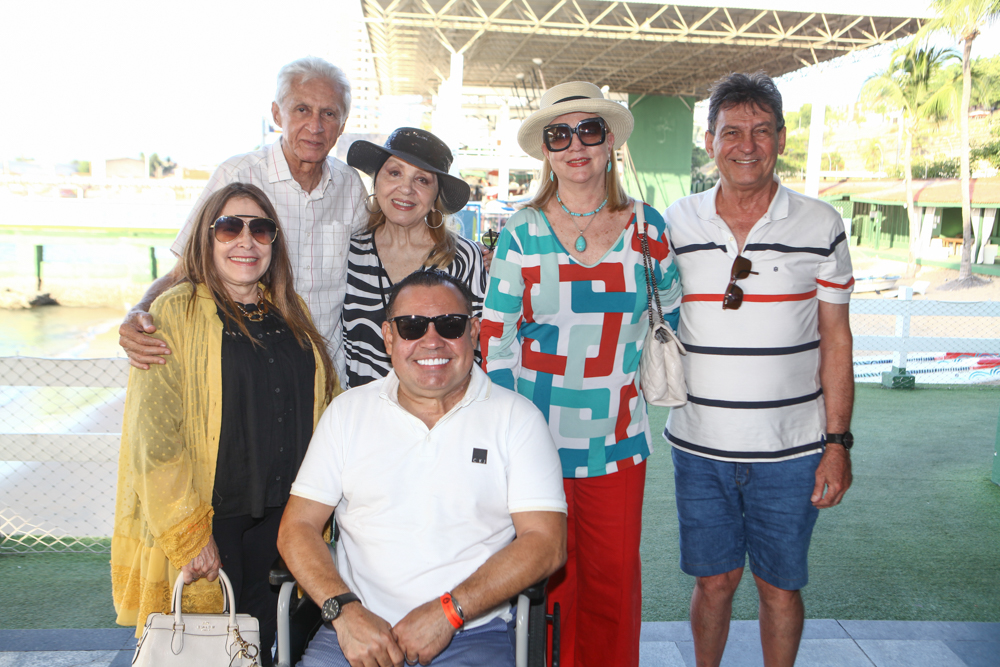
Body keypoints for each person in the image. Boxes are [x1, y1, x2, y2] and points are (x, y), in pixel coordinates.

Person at [481, 81, 682, 667]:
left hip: (617, 442)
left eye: (589, 131)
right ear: (546, 150)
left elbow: (670, 310)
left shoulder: (648, 228)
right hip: (535, 445)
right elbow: (496, 347)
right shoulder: (521, 231)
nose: (575, 145)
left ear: (610, 142)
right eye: (559, 134)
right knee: (547, 590)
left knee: (614, 585)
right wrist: (512, 439)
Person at [277, 270, 567, 666]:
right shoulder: (347, 413)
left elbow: (546, 543)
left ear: (474, 332)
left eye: (450, 324)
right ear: (389, 337)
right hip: (354, 630)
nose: (432, 341)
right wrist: (344, 611)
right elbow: (298, 527)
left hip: (472, 632)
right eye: (412, 326)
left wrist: (449, 612)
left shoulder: (518, 419)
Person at [663, 71, 854, 667]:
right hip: (698, 446)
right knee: (713, 584)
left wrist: (838, 443)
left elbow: (836, 340)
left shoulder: (820, 224)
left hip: (792, 450)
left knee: (779, 587)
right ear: (710, 140)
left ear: (782, 138)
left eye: (762, 131)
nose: (747, 145)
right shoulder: (674, 223)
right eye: (733, 131)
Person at [111, 183, 339, 667]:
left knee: (259, 643)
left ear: (274, 242)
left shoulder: (288, 310)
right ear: (206, 239)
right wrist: (189, 533)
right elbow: (154, 436)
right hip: (214, 518)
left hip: (284, 517)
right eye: (229, 227)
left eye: (261, 229)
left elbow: (325, 399)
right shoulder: (175, 311)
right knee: (208, 648)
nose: (246, 240)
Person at [118, 57, 368, 379]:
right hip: (251, 376)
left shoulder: (350, 186)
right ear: (278, 114)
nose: (316, 126)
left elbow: (370, 272)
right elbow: (187, 267)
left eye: (329, 113)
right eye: (302, 109)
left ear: (343, 125)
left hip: (328, 377)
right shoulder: (239, 174)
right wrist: (140, 310)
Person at [341, 128, 484, 388]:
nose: (405, 188)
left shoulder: (464, 257)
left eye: (422, 180)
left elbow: (477, 347)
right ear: (377, 182)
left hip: (442, 413)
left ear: (435, 197)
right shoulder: (350, 253)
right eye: (394, 173)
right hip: (364, 414)